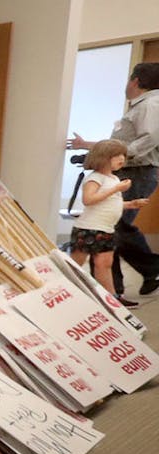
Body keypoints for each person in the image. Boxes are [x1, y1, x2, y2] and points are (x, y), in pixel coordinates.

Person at [68, 61, 159, 296]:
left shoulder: (150, 104)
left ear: (135, 81)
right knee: (109, 227)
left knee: (112, 226)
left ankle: (149, 270)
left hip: (138, 172)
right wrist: (88, 146)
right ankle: (113, 290)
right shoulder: (140, 106)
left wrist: (114, 159)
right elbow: (121, 144)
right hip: (131, 170)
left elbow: (147, 140)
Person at [69, 139, 149, 306]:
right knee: (75, 263)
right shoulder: (96, 178)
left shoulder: (113, 178)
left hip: (106, 230)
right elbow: (88, 199)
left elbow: (109, 202)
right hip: (88, 228)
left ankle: (110, 298)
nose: (121, 159)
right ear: (103, 158)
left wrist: (131, 204)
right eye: (116, 156)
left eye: (123, 155)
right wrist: (117, 189)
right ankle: (68, 291)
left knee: (104, 264)